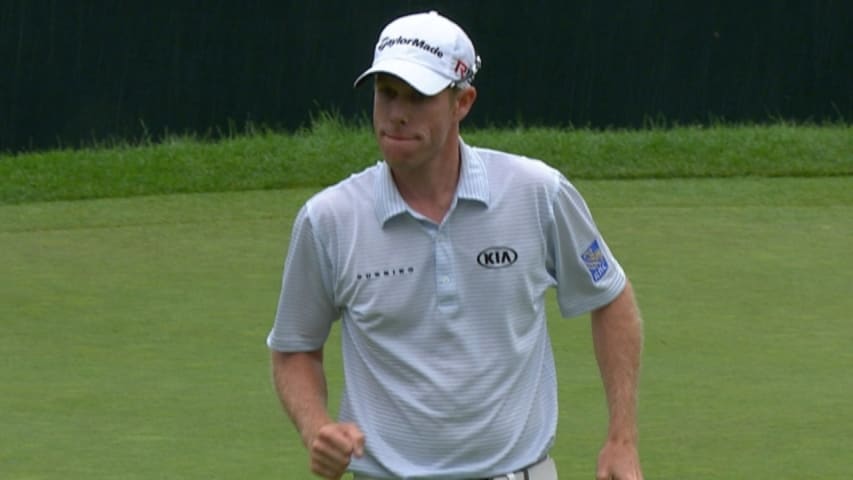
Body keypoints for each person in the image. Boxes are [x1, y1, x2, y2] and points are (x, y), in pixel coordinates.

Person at [267, 10, 644, 480]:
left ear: (462, 102)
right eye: (386, 94)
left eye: (418, 97)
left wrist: (621, 439)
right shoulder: (328, 219)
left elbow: (609, 296)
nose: (396, 114)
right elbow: (294, 348)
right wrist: (316, 427)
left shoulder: (536, 193)